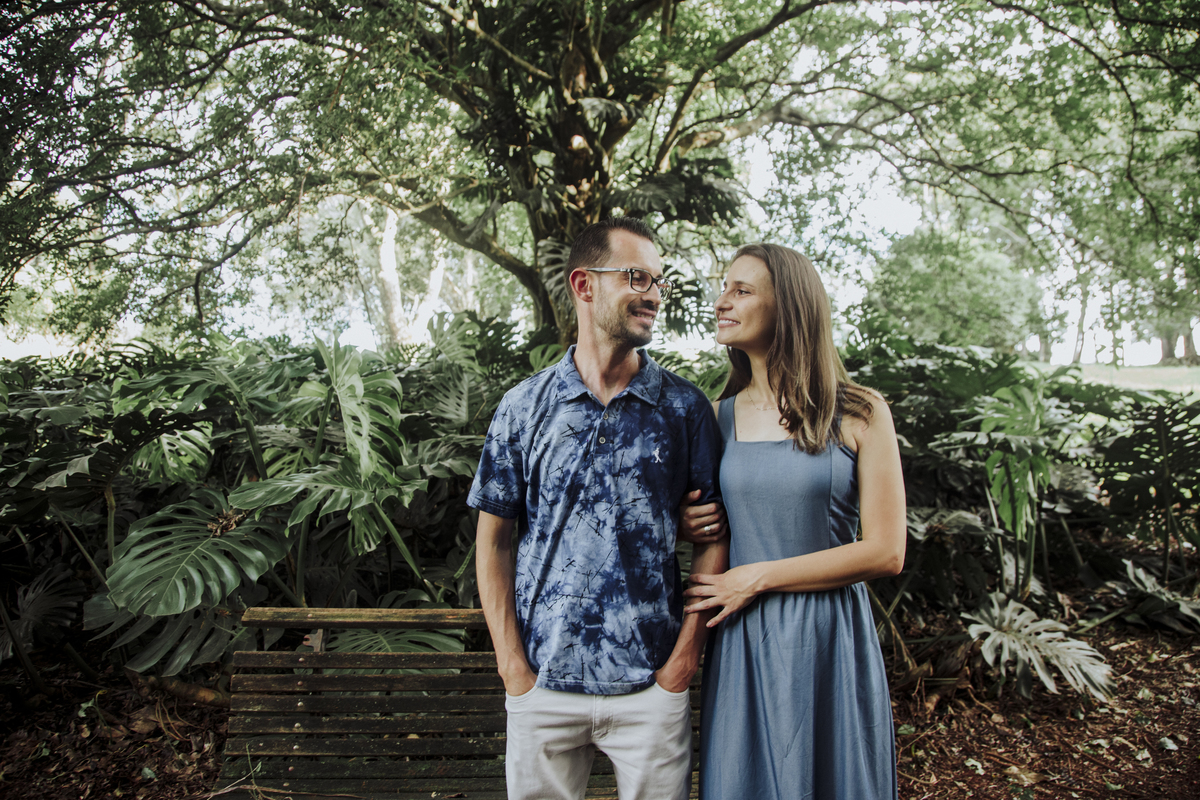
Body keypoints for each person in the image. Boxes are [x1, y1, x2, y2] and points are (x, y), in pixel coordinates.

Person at [468, 217, 729, 800]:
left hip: (651, 687)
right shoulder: (523, 407)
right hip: (543, 684)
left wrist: (682, 662)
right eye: (637, 277)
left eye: (659, 281)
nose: (654, 294)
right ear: (584, 285)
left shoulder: (684, 409)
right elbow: (493, 541)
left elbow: (714, 535)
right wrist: (513, 668)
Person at [684, 243, 906, 799]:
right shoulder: (717, 416)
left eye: (741, 290)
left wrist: (756, 577)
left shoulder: (860, 412)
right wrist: (691, 521)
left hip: (828, 637)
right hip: (744, 640)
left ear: (790, 305)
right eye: (723, 288)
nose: (721, 302)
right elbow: (710, 522)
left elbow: (886, 551)